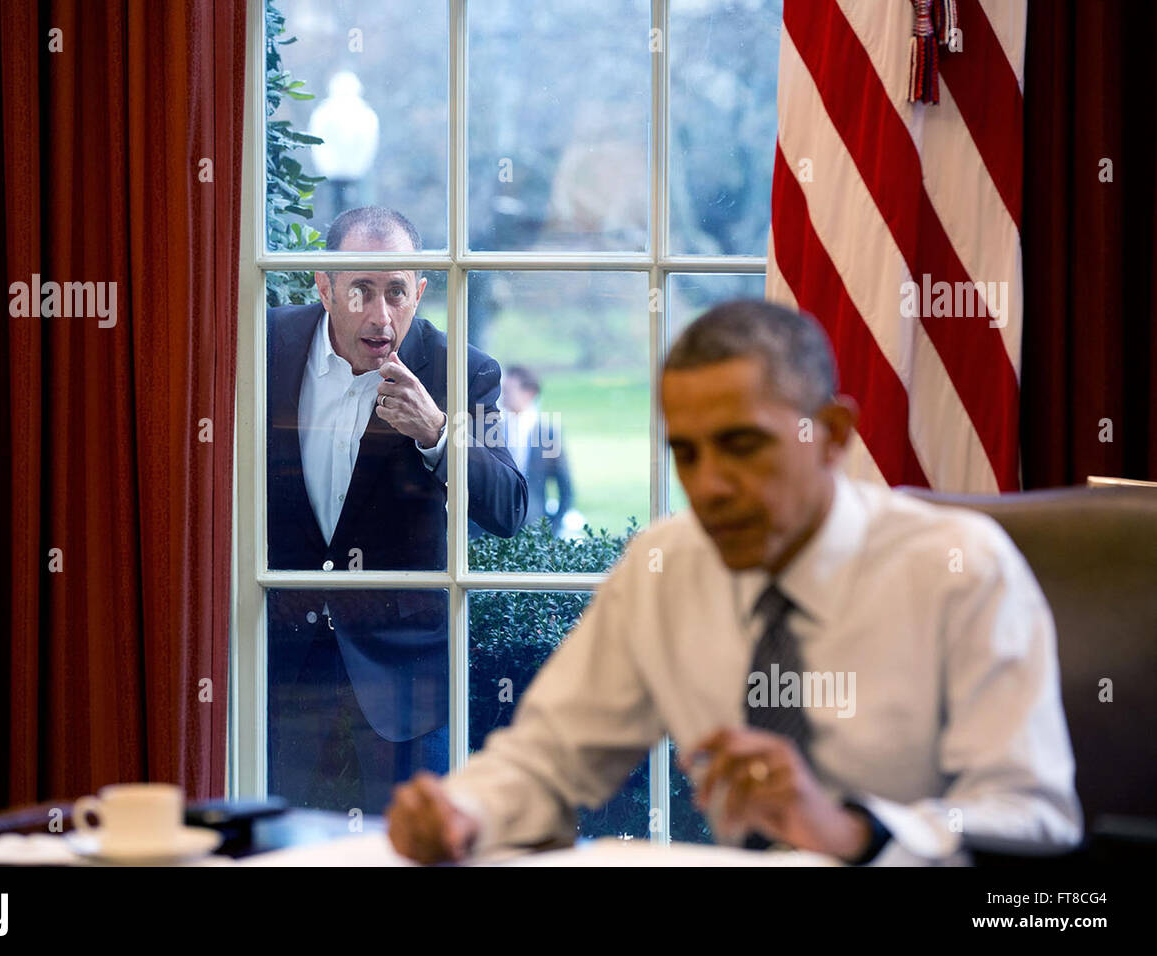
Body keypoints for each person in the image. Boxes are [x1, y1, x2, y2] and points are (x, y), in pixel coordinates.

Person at [386, 299, 1082, 865]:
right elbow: (548, 758)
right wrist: (463, 811)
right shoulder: (666, 567)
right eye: (687, 454)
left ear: (833, 435)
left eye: (743, 446)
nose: (709, 486)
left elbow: (1033, 811)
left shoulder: (960, 571)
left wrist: (853, 833)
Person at [266, 207, 527, 814]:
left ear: (420, 291)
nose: (382, 316)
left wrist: (439, 432)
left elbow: (510, 507)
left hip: (406, 679)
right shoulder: (266, 345)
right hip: (281, 664)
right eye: (360, 289)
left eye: (397, 292)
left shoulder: (461, 369)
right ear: (323, 286)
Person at [500, 366, 574, 536]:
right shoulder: (492, 430)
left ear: (529, 393)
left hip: (533, 529)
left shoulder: (547, 433)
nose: (503, 396)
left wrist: (552, 529)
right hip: (490, 531)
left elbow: (565, 487)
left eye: (508, 391)